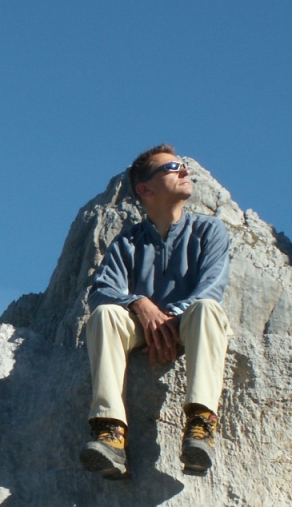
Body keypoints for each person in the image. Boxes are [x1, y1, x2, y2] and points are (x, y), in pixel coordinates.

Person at [80, 144, 231, 479]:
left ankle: (200, 424)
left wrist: (167, 320)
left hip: (190, 324)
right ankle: (110, 432)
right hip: (141, 329)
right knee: (105, 315)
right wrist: (139, 303)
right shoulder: (127, 243)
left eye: (182, 165)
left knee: (207, 308)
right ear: (145, 189)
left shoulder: (210, 231)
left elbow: (211, 288)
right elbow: (101, 290)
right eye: (172, 167)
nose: (184, 171)